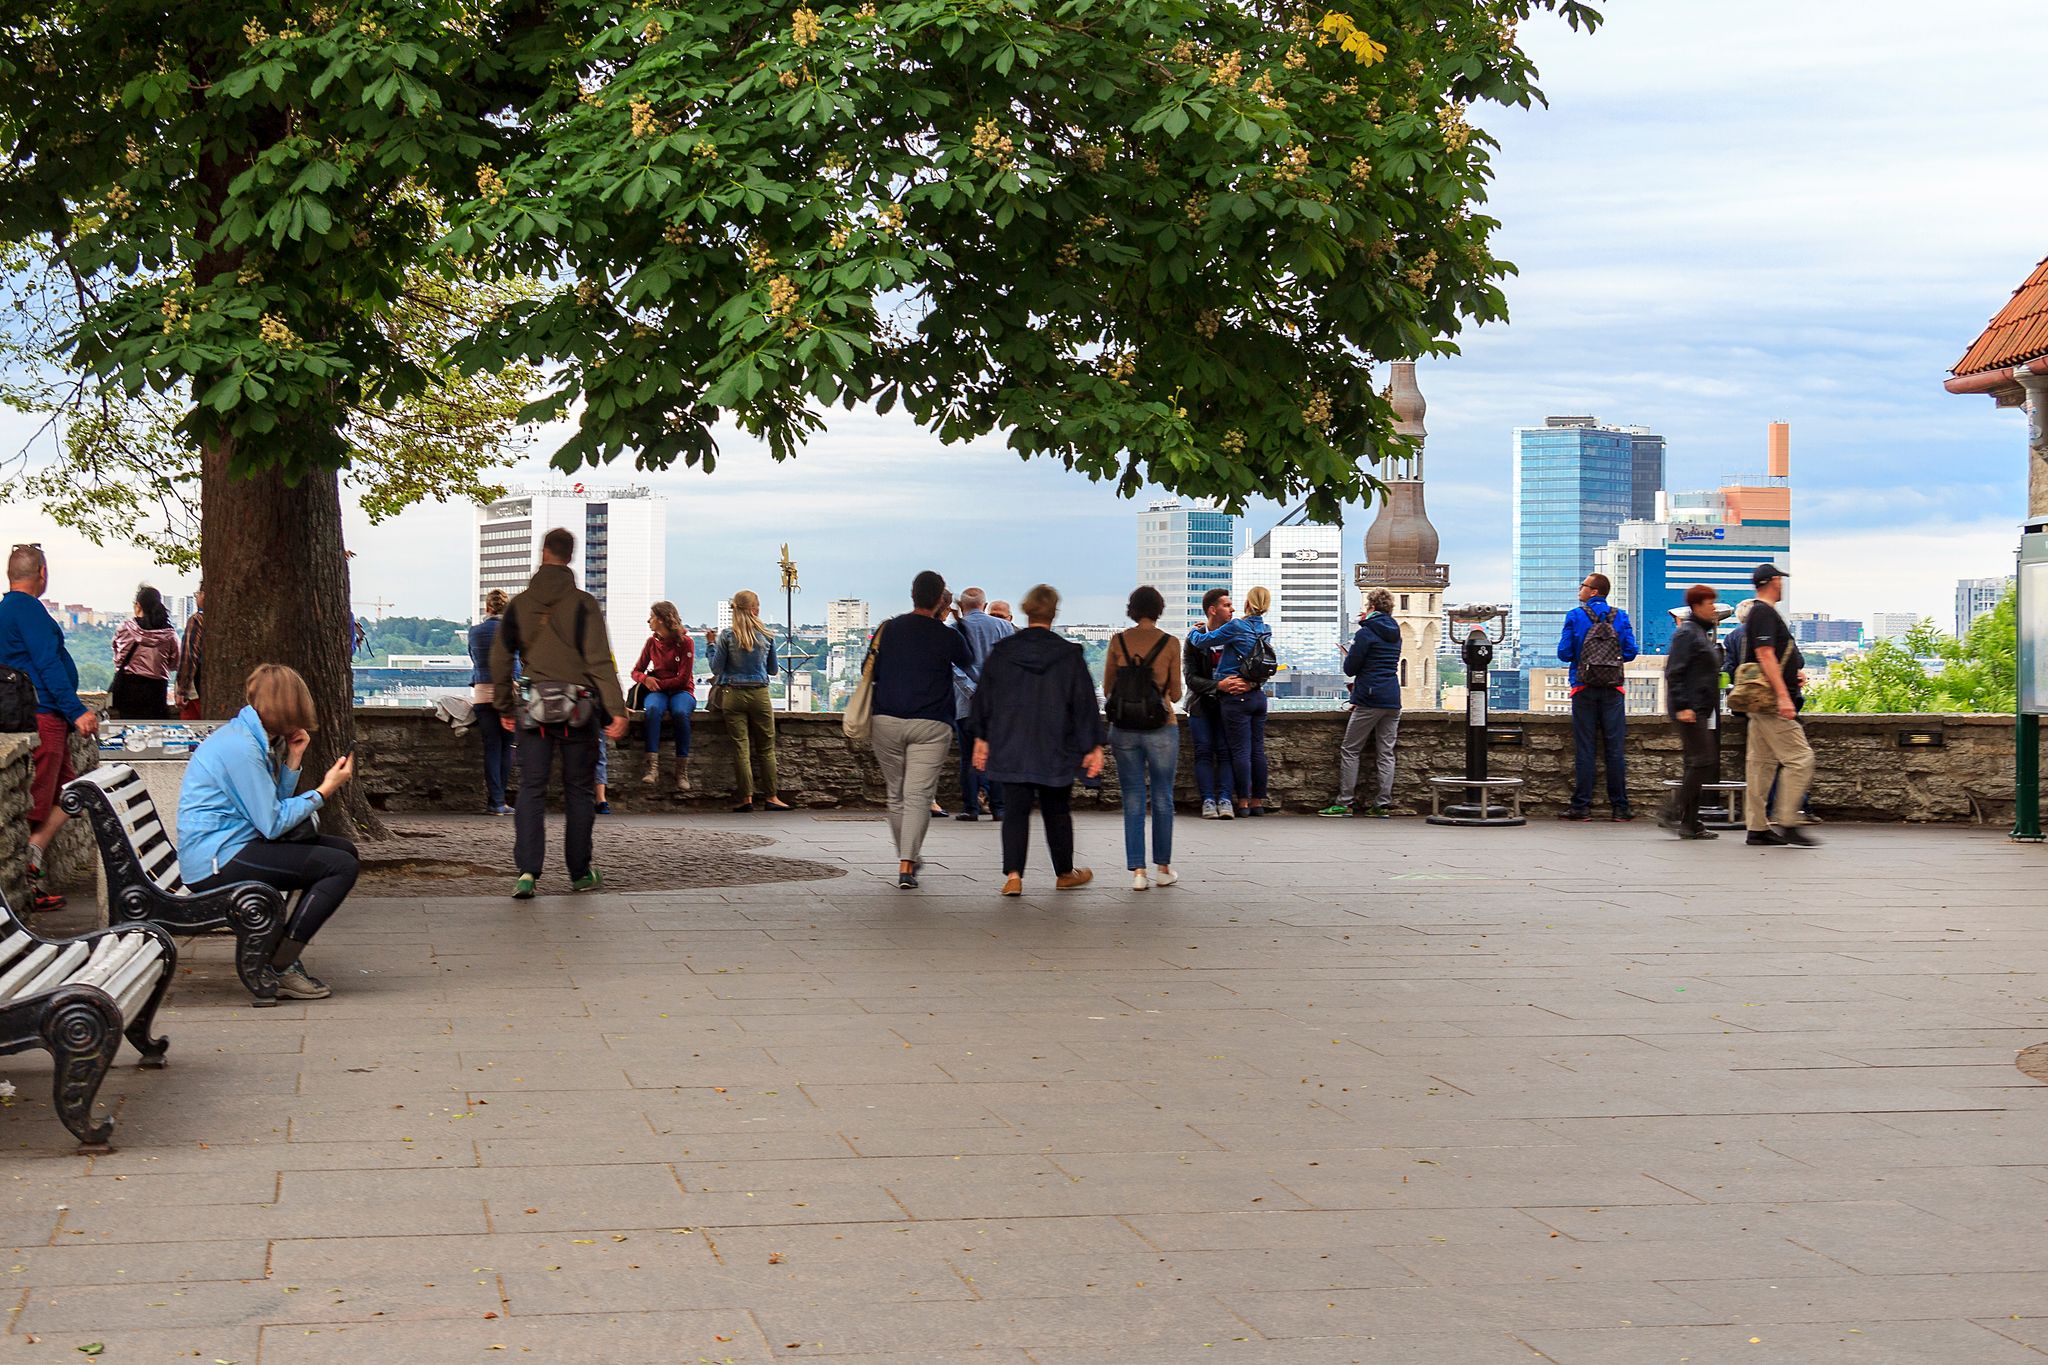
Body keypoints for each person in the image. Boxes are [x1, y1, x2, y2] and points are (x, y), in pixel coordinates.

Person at [178, 664, 359, 999]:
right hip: (216, 862)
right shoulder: (242, 749)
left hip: (231, 847)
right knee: (340, 866)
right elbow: (272, 822)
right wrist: (324, 790)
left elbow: (267, 807)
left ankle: (279, 953)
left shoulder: (249, 738)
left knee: (345, 852)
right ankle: (280, 964)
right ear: (287, 711)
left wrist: (293, 759)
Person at [491, 527, 629, 898]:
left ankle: (527, 873)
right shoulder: (584, 604)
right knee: (580, 790)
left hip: (533, 708)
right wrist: (616, 710)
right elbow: (599, 661)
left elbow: (501, 657)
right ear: (570, 556)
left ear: (543, 553)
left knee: (531, 789)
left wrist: (505, 704)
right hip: (578, 710)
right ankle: (580, 872)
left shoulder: (519, 604)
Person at [971, 584, 1102, 896]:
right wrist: (1093, 745)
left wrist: (981, 738)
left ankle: (1014, 876)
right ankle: (1064, 872)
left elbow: (984, 698)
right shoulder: (1069, 654)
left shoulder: (1003, 652)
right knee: (1057, 810)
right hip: (1055, 744)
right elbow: (1084, 704)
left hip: (1011, 742)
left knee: (1015, 810)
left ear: (1027, 611)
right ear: (1054, 613)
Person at [0, 545, 97, 913]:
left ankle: (34, 855)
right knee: (39, 803)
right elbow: (47, 664)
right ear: (42, 572)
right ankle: (29, 871)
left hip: (29, 714)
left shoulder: (5, 610)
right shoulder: (30, 612)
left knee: (71, 793)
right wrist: (77, 712)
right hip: (44, 717)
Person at [868, 571, 973, 888]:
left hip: (886, 720)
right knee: (918, 796)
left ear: (912, 594)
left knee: (896, 795)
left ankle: (906, 856)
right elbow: (968, 660)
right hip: (931, 722)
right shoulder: (946, 635)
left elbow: (867, 669)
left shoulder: (888, 629)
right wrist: (952, 619)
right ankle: (907, 864)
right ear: (941, 600)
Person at [1103, 585, 1183, 890]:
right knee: (1163, 797)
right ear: (1159, 608)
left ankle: (1138, 872)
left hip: (1124, 728)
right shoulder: (1171, 643)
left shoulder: (1118, 641)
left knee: (1133, 797)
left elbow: (1108, 687)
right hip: (1162, 725)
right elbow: (1175, 693)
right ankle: (1163, 867)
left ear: (1132, 608)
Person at [1738, 563, 1818, 847]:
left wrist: (1791, 671)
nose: (1782, 585)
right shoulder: (1763, 612)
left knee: (1761, 764)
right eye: (1780, 580)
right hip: (1772, 702)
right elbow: (1765, 654)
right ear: (1772, 581)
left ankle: (1758, 827)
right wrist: (1784, 695)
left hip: (1761, 703)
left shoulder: (1759, 613)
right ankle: (1787, 821)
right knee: (1801, 759)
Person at [1556, 571, 1639, 821]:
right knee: (1615, 749)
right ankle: (1620, 808)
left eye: (1583, 585)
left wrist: (1587, 658)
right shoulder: (1620, 616)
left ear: (1594, 591)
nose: (1579, 589)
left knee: (1586, 748)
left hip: (1583, 687)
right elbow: (1630, 652)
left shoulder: (1575, 615)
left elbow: (1564, 653)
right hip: (1613, 689)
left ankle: (1581, 807)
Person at [1187, 584, 1274, 816]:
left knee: (1237, 752)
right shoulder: (1265, 629)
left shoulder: (1236, 627)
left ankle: (1241, 801)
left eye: (1234, 604)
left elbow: (1200, 641)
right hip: (1245, 697)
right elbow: (1261, 664)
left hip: (1235, 700)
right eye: (1227, 605)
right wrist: (1249, 683)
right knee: (1254, 751)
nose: (1233, 609)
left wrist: (1192, 632)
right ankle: (1256, 801)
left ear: (1248, 603)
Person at [1322, 589, 1403, 818]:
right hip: (1392, 697)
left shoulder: (1365, 632)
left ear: (1371, 606)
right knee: (1386, 752)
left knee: (1350, 749)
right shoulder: (1396, 632)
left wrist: (1350, 652)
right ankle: (1382, 803)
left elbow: (1351, 668)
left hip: (1369, 697)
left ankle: (1345, 802)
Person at [708, 590, 789, 812]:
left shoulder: (726, 635)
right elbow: (772, 670)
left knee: (740, 748)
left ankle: (747, 799)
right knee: (766, 748)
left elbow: (716, 668)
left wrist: (710, 646)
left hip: (733, 695)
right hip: (760, 694)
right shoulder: (768, 635)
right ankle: (772, 797)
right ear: (755, 609)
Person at [1659, 584, 1724, 840]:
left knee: (1695, 764)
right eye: (1710, 604)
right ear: (1697, 607)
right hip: (1690, 709)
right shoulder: (1687, 634)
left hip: (1698, 708)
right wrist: (1684, 705)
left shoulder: (1698, 632)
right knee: (1704, 760)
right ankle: (1671, 811)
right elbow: (1674, 672)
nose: (1714, 608)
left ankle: (1689, 823)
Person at [949, 586, 1014, 821]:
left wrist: (971, 690)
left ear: (962, 607)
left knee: (968, 757)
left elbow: (952, 667)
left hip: (966, 704)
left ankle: (971, 807)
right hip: (998, 704)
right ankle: (999, 807)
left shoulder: (955, 629)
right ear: (984, 606)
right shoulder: (1004, 627)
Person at [1182, 589, 1238, 819]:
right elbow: (1191, 678)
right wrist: (1218, 686)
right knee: (1203, 751)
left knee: (1226, 752)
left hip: (1229, 705)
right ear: (1212, 610)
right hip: (1201, 704)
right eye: (1227, 605)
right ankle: (1207, 799)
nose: (1232, 609)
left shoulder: (1235, 636)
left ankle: (1225, 799)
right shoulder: (1194, 638)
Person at [632, 601, 697, 791]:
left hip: (681, 690)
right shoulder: (652, 643)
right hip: (657, 691)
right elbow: (636, 671)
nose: (648, 621)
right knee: (652, 710)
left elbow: (683, 679)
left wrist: (658, 683)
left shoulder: (686, 643)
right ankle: (652, 766)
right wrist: (645, 679)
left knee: (680, 713)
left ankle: (681, 769)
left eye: (651, 617)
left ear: (661, 620)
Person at [468, 589, 515, 815]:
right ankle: (500, 800)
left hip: (482, 695)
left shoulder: (474, 632)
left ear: (487, 607)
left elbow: (475, 660)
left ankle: (494, 801)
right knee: (507, 748)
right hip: (508, 696)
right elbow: (517, 665)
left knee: (492, 748)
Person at [109, 585, 180, 719]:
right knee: (155, 731)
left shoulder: (125, 628)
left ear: (138, 605)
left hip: (128, 688)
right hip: (156, 689)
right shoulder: (169, 634)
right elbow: (175, 663)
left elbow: (118, 657)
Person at [175, 585, 204, 720]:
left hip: (196, 690)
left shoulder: (197, 620)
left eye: (198, 593)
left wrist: (182, 690)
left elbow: (189, 654)